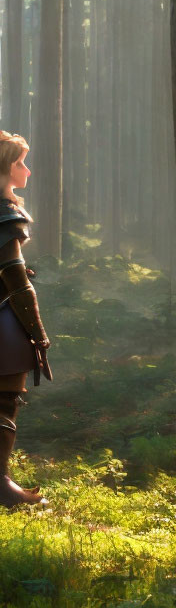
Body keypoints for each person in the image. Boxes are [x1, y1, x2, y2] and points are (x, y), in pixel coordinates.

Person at [0, 131, 50, 507]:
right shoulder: (4, 216)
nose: (27, 171)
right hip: (3, 324)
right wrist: (39, 335)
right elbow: (18, 285)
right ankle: (1, 487)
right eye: (20, 162)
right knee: (3, 405)